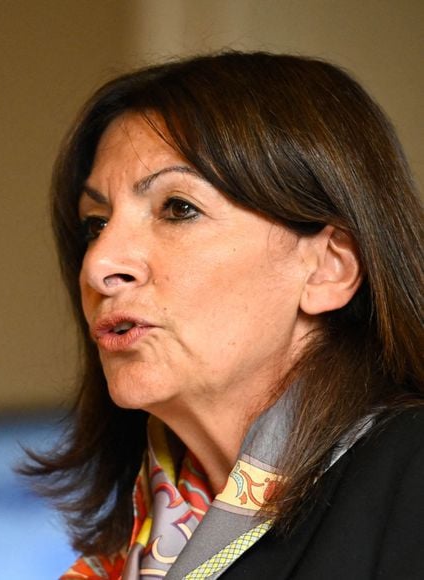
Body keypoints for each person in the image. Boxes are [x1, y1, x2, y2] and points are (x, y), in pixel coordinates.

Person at [21, 51, 424, 579]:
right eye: (95, 224)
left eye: (178, 208)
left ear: (328, 269)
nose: (100, 265)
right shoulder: (121, 561)